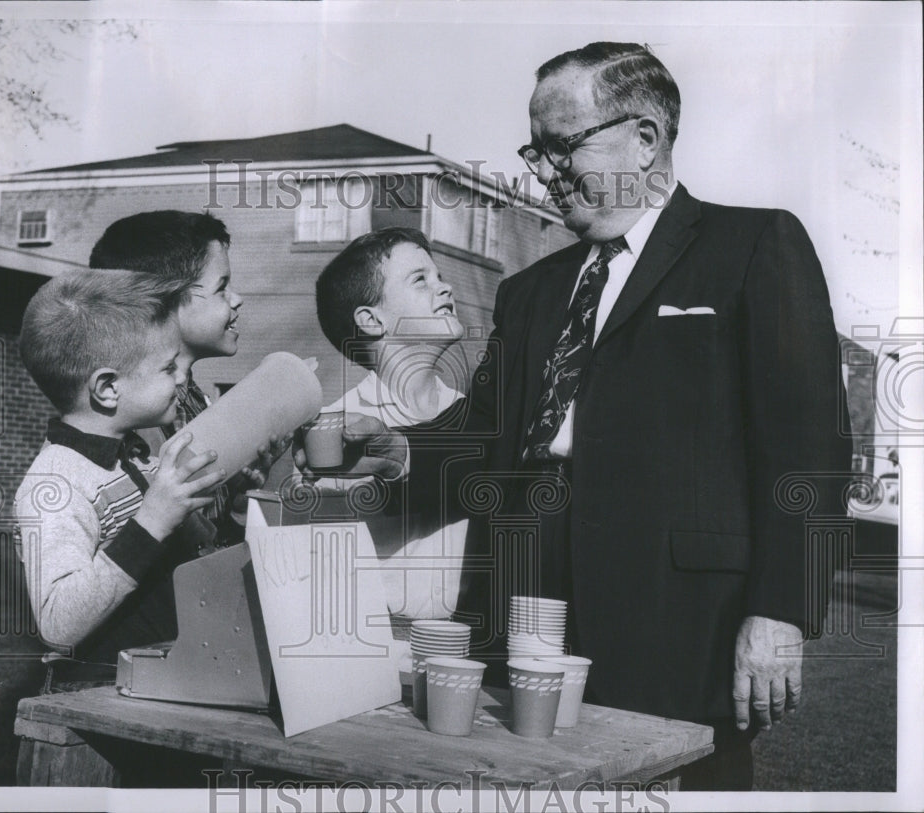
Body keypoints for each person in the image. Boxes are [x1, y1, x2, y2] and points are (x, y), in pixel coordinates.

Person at [309, 42, 852, 790]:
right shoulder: (530, 291)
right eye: (536, 150)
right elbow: (485, 429)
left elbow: (809, 446)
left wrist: (782, 611)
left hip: (681, 624)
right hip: (521, 615)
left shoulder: (755, 245)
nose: (544, 171)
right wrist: (397, 449)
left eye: (564, 146)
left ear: (647, 138)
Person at [13, 269, 225, 691]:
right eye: (168, 367)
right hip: (94, 701)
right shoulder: (54, 485)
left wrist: (222, 509)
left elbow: (190, 553)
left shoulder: (136, 452)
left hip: (160, 682)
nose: (182, 377)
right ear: (108, 388)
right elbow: (58, 623)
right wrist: (151, 522)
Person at [311, 227, 469, 672]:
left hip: (462, 658)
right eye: (420, 279)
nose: (445, 286)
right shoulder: (337, 434)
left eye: (439, 274)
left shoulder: (470, 420)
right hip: (370, 660)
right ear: (371, 320)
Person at [89, 211, 285, 551]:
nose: (236, 299)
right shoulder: (133, 420)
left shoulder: (192, 400)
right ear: (165, 302)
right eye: (222, 287)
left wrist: (235, 502)